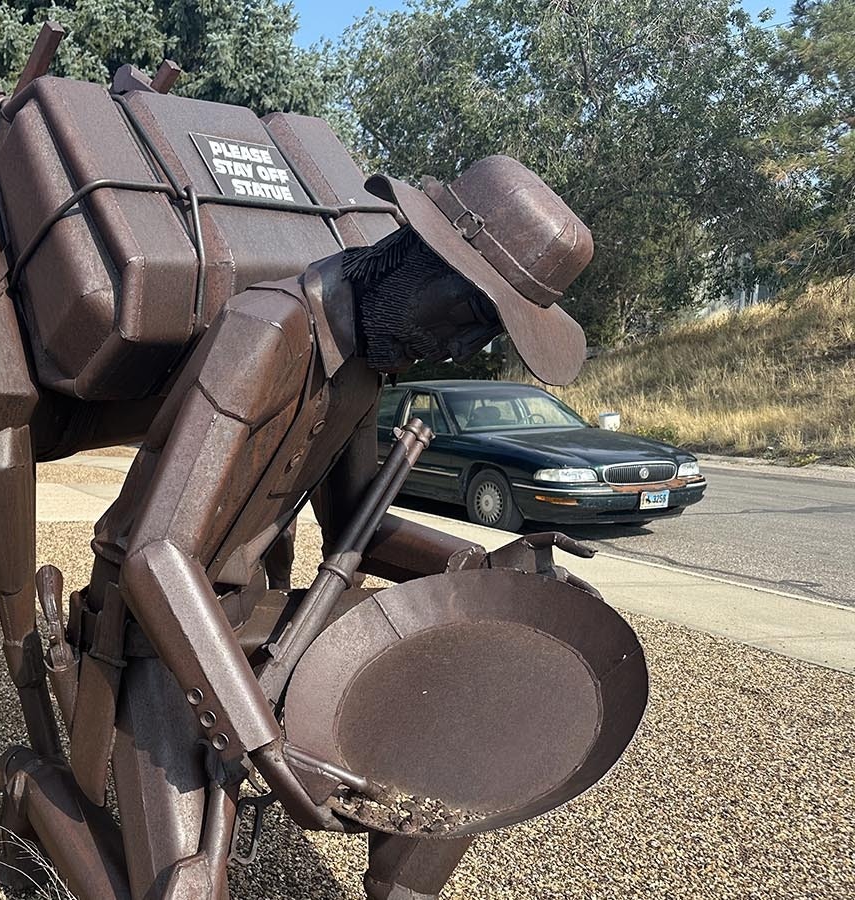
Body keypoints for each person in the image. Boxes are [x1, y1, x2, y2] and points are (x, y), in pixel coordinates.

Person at [35, 155, 597, 899]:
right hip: (156, 626)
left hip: (255, 615)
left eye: (483, 335)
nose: (460, 350)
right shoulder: (264, 331)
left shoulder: (366, 367)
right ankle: (31, 793)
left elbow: (354, 526)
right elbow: (156, 554)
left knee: (454, 752)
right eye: (469, 314)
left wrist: (484, 566)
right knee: (178, 888)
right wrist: (262, 746)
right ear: (415, 259)